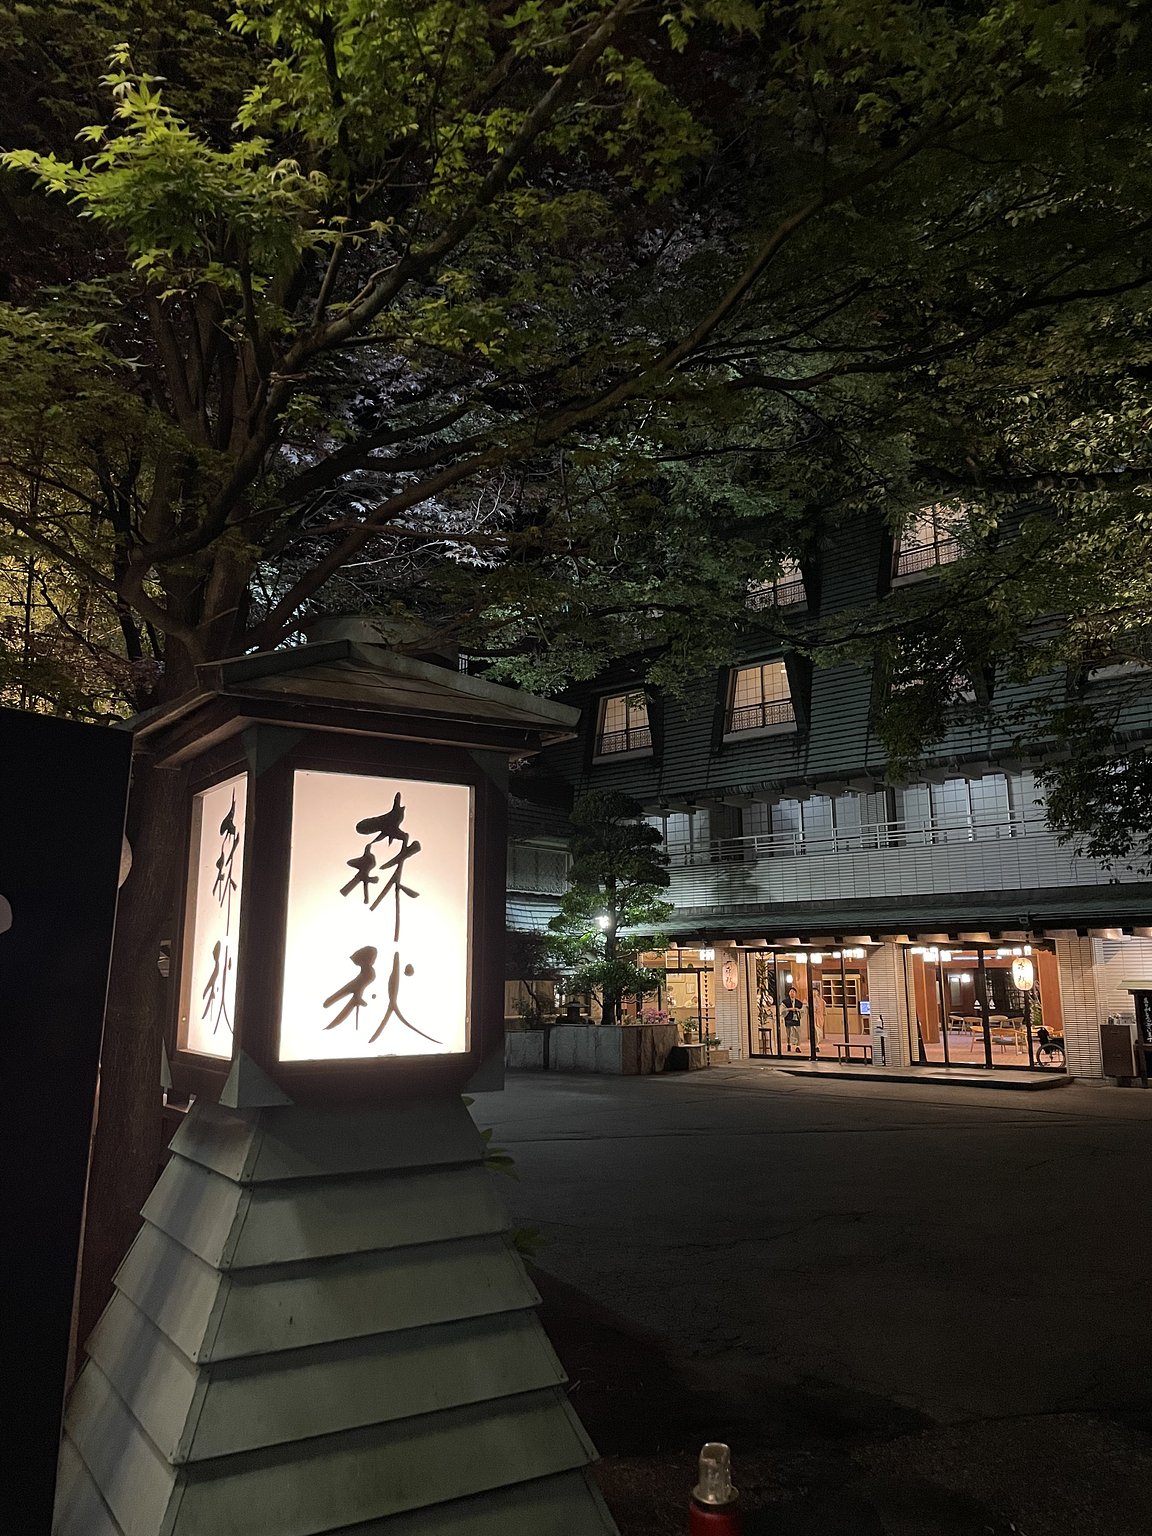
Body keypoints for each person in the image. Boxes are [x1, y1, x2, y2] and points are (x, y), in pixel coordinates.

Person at [783, 986, 805, 1053]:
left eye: (793, 992)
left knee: (798, 1033)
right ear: (789, 993)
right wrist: (789, 1009)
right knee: (788, 1033)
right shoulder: (785, 1002)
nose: (792, 993)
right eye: (791, 992)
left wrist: (798, 1010)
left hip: (796, 1019)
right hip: (788, 1018)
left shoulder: (799, 1003)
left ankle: (798, 1046)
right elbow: (782, 1010)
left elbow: (803, 1011)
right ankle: (788, 1044)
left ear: (795, 993)